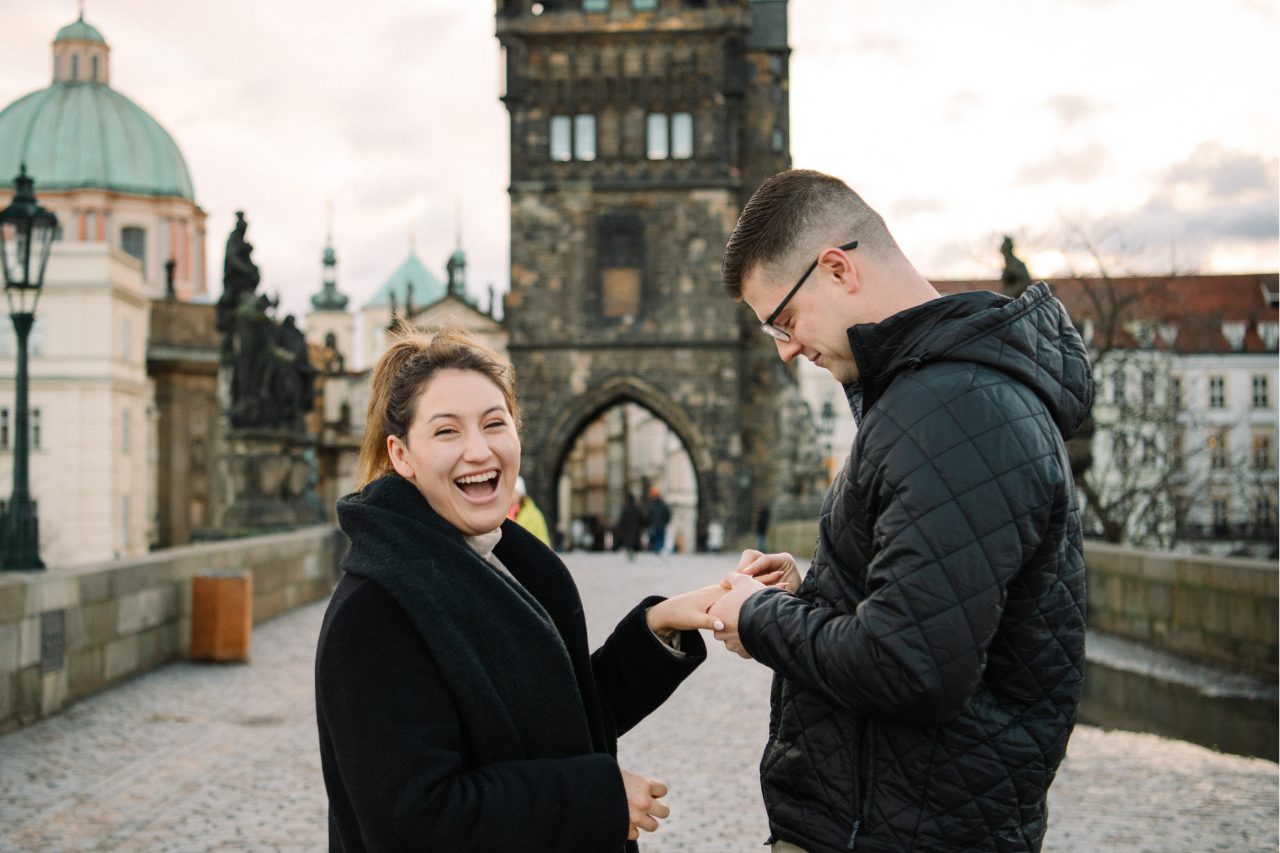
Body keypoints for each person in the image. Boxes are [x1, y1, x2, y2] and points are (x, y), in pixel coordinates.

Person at [707, 169, 1092, 852]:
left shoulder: (955, 408)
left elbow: (911, 666)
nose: (790, 349)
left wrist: (759, 617)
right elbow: (922, 612)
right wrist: (811, 594)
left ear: (836, 268)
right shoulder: (927, 397)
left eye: (785, 322)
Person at [314, 326, 728, 852]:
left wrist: (657, 629)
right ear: (402, 454)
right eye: (447, 432)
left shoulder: (507, 560)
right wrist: (594, 801)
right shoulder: (375, 611)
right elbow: (414, 822)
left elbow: (549, 720)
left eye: (494, 424)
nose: (479, 450)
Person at [509, 475, 552, 546]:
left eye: (514, 492)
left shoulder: (534, 514)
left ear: (520, 494)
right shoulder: (501, 512)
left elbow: (543, 540)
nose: (511, 495)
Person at [615, 492, 644, 560]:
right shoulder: (637, 509)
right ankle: (632, 553)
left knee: (628, 542)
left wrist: (619, 527)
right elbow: (641, 519)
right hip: (635, 528)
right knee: (633, 542)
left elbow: (622, 519)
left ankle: (629, 553)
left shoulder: (625, 509)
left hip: (627, 529)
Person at [646, 487, 671, 554]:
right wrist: (665, 522)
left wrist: (649, 524)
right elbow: (668, 516)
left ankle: (655, 550)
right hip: (661, 526)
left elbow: (648, 517)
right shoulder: (663, 505)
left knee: (654, 539)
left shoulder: (651, 506)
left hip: (654, 526)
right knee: (659, 540)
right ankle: (658, 550)